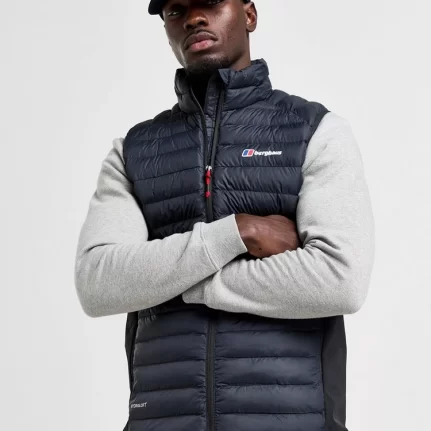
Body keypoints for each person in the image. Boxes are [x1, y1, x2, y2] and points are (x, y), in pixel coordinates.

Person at [74, 1, 375, 430]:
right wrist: (236, 232)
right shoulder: (133, 151)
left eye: (211, 2)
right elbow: (98, 283)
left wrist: (172, 283)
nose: (194, 18)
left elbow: (340, 280)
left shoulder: (316, 131)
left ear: (249, 15)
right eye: (176, 10)